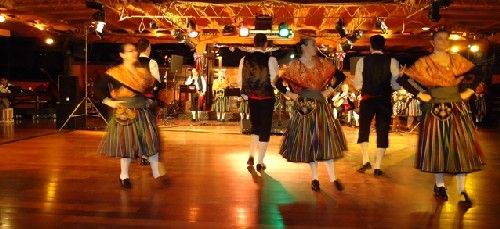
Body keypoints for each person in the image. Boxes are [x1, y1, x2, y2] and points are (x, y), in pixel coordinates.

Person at [398, 29, 484, 206]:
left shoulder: (456, 59)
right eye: (439, 39)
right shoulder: (424, 63)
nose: (444, 41)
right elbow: (404, 80)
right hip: (435, 108)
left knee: (462, 148)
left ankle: (461, 189)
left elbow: (480, 71)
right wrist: (420, 95)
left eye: (446, 39)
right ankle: (440, 185)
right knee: (438, 147)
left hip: (457, 108)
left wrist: (469, 90)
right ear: (432, 42)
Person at [276, 37, 347, 191]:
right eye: (313, 44)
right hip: (304, 109)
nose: (316, 47)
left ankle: (333, 177)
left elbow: (340, 76)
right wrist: (292, 95)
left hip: (321, 105)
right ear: (304, 47)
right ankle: (315, 178)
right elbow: (278, 83)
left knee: (325, 140)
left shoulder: (322, 63)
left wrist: (329, 90)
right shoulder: (296, 65)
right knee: (309, 143)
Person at [94, 43, 162, 189]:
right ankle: (124, 175)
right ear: (122, 55)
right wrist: (108, 102)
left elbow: (153, 86)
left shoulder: (142, 71)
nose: (134, 53)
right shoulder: (115, 72)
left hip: (142, 110)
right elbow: (98, 88)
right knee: (127, 144)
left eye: (135, 50)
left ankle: (157, 172)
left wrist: (150, 98)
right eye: (130, 51)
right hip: (125, 113)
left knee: (151, 140)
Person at [354, 35, 401, 176]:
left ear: (371, 46)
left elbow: (358, 84)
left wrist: (366, 87)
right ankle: (378, 167)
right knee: (382, 130)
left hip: (367, 99)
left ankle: (365, 160)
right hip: (384, 100)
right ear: (384, 46)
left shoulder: (362, 61)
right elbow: (396, 85)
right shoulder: (392, 61)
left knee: (364, 129)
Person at [239, 33, 279, 171]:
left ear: (253, 43)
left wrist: (245, 95)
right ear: (266, 44)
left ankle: (251, 154)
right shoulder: (271, 59)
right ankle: (260, 162)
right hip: (267, 97)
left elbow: (241, 79)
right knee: (265, 129)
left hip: (252, 97)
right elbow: (274, 80)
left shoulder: (244, 59)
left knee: (255, 126)